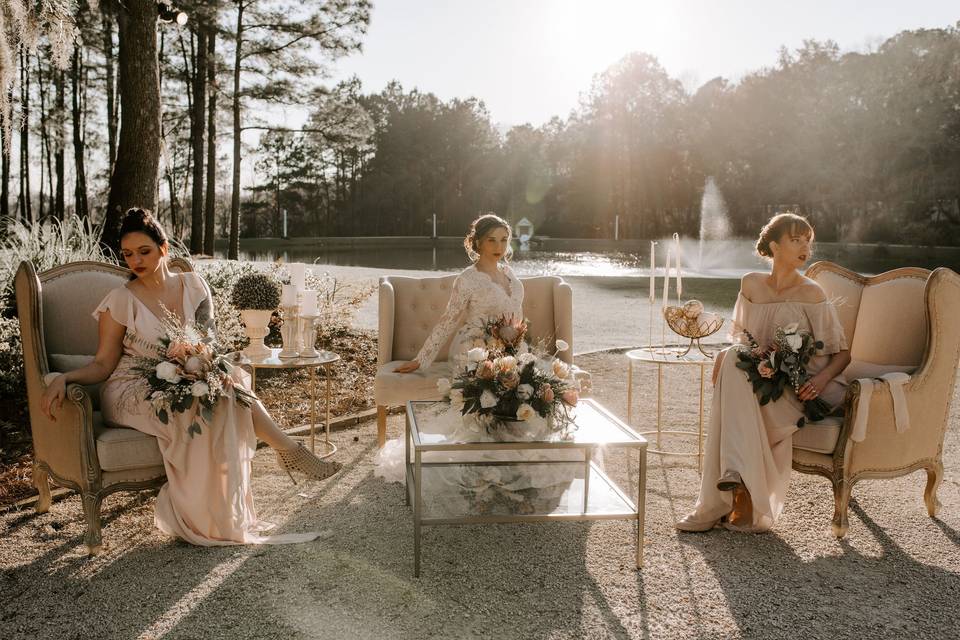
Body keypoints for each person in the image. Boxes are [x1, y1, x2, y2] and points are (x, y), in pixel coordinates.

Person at [40, 208, 338, 546]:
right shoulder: (119, 301)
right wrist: (65, 378)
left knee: (227, 388)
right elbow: (103, 364)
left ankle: (277, 461)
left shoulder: (193, 285)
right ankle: (282, 453)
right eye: (128, 254)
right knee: (198, 402)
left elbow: (210, 340)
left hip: (189, 373)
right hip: (130, 389)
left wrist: (207, 363)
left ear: (164, 249)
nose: (135, 260)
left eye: (144, 251)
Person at [374, 214, 576, 509]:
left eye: (504, 240)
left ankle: (517, 465)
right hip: (475, 347)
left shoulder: (509, 274)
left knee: (532, 388)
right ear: (477, 242)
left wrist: (522, 347)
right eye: (492, 240)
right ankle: (483, 471)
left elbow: (517, 317)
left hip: (511, 347)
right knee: (491, 391)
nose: (499, 246)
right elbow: (448, 320)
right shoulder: (467, 279)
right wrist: (421, 359)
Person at [676, 212, 851, 533]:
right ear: (774, 245)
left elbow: (842, 353)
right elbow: (741, 337)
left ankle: (719, 500)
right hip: (757, 378)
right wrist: (728, 355)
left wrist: (819, 380)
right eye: (796, 240)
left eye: (808, 242)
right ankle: (732, 488)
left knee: (731, 371)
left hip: (799, 388)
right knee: (730, 359)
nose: (805, 248)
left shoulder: (812, 293)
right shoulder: (751, 284)